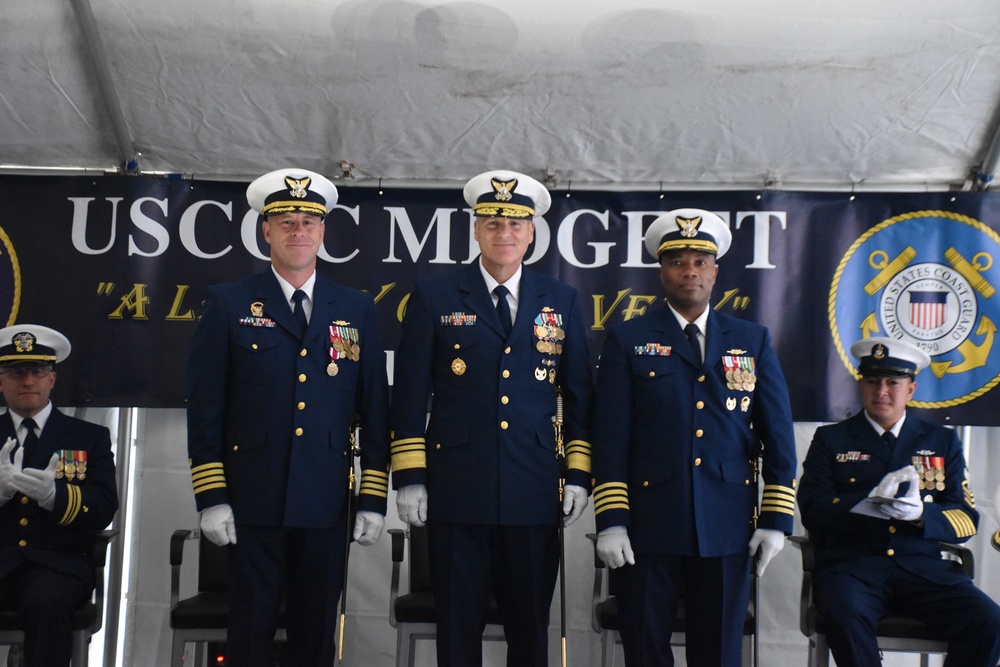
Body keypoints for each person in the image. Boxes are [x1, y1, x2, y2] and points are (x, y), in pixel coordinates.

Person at [186, 168, 391, 666]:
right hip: (252, 499)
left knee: (317, 633)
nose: (298, 230)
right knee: (249, 632)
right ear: (266, 230)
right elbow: (206, 406)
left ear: (323, 232)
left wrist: (373, 497)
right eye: (286, 221)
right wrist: (211, 495)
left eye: (308, 221)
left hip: (326, 502)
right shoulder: (228, 302)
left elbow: (376, 410)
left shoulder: (357, 308)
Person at [390, 170, 594, 667]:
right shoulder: (435, 296)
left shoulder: (561, 299)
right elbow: (411, 392)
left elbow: (580, 394)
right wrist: (411, 477)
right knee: (457, 630)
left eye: (516, 224)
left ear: (532, 233)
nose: (504, 233)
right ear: (475, 230)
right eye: (493, 222)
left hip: (532, 488)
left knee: (529, 629)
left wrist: (579, 474)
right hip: (457, 489)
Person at [591, 209, 797, 666]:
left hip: (727, 525)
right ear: (661, 271)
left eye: (701, 261)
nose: (690, 270)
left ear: (716, 271)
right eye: (679, 261)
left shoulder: (752, 339)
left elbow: (778, 435)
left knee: (719, 652)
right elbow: (610, 436)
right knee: (645, 649)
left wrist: (776, 519)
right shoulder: (628, 338)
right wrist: (612, 518)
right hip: (647, 524)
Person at [798, 337, 1000, 666]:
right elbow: (812, 509)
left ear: (911, 389)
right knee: (845, 619)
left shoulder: (941, 441)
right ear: (860, 386)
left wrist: (923, 515)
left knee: (989, 622)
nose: (882, 392)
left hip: (925, 571)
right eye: (873, 381)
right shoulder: (831, 439)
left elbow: (966, 519)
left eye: (893, 382)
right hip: (853, 570)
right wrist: (866, 503)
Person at [0, 324, 118, 666]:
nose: (28, 381)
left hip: (58, 563)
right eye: (17, 372)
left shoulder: (87, 437)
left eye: (37, 371)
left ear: (51, 379)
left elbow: (103, 507)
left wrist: (56, 497)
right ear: (1, 380)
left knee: (46, 603)